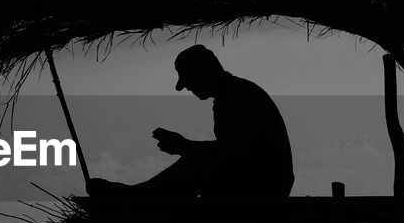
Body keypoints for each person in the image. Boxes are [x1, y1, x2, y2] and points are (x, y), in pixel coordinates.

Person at [87, 44, 294, 199]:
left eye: (189, 80)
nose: (186, 88)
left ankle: (137, 196)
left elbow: (236, 155)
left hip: (265, 185)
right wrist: (185, 147)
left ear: (203, 73)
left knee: (195, 162)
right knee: (195, 161)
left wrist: (185, 146)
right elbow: (230, 153)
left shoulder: (238, 97)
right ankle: (140, 194)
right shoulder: (233, 94)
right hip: (261, 179)